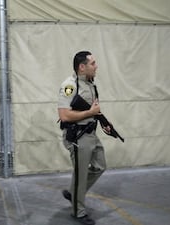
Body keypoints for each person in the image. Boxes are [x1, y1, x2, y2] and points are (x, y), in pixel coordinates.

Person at [58, 51, 111, 225]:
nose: (96, 66)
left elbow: (93, 110)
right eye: (93, 63)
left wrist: (103, 122)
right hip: (77, 137)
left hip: (91, 133)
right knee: (81, 176)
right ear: (82, 67)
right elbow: (64, 115)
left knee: (100, 166)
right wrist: (90, 113)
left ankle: (74, 193)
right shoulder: (70, 85)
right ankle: (78, 212)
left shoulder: (90, 84)